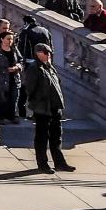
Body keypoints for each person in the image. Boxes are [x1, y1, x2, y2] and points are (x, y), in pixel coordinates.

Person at [23, 43, 75, 175]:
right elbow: (29, 88)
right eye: (46, 53)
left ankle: (59, 162)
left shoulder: (50, 67)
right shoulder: (34, 69)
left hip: (55, 107)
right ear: (38, 53)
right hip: (42, 108)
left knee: (56, 136)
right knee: (42, 137)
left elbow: (57, 83)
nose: (49, 55)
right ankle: (42, 163)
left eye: (50, 53)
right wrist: (38, 100)